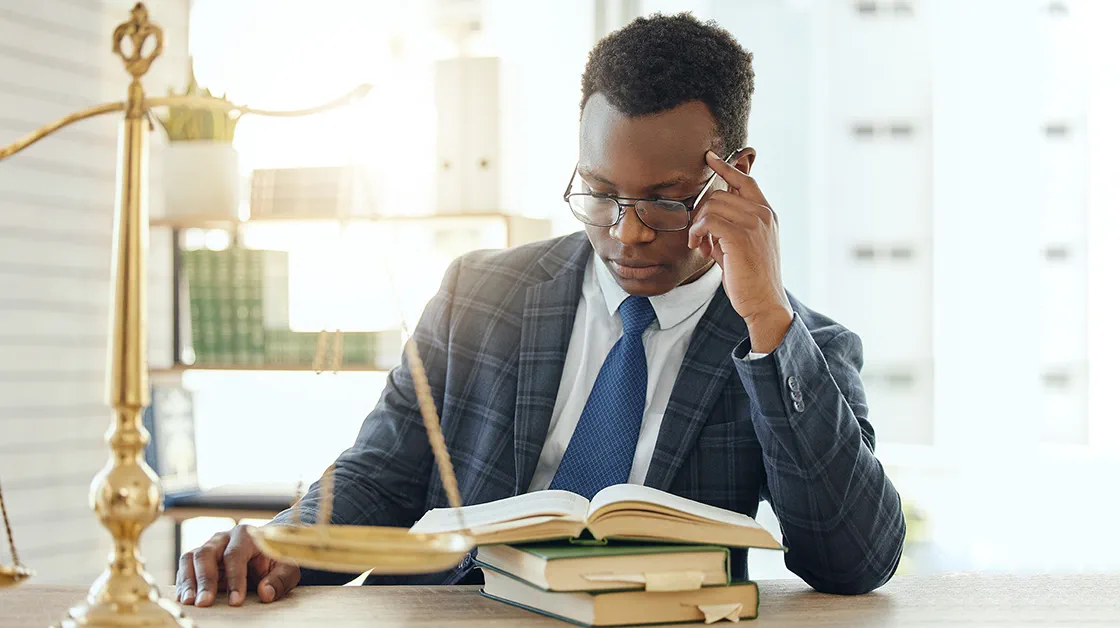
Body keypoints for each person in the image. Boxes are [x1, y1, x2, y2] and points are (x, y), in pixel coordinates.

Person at [175, 13, 905, 608]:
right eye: (600, 191)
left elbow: (854, 559)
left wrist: (766, 320)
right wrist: (285, 541)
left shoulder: (796, 345)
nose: (628, 231)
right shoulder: (479, 293)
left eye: (664, 198)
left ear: (735, 178)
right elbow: (383, 474)